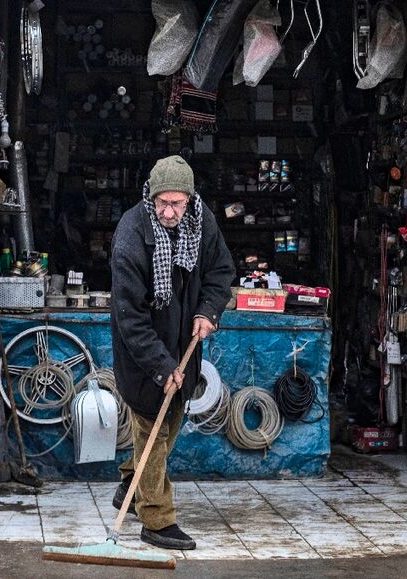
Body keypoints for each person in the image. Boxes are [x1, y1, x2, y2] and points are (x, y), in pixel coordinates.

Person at [110, 155, 234, 550]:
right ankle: (157, 520)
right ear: (150, 197)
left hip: (185, 348)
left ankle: (131, 482)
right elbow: (130, 318)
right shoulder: (131, 235)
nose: (168, 211)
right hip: (143, 358)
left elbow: (220, 272)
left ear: (190, 200)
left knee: (171, 425)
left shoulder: (202, 221)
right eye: (162, 202)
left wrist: (208, 310)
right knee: (152, 433)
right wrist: (162, 367)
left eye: (176, 203)